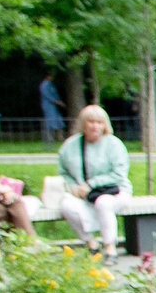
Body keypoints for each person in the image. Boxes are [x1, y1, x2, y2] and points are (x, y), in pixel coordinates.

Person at [55, 105, 132, 255]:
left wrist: (90, 184)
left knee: (103, 203)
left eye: (99, 122)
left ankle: (110, 247)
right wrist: (74, 187)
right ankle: (91, 243)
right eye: (91, 122)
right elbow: (63, 172)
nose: (95, 126)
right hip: (82, 193)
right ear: (83, 124)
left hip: (114, 191)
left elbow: (119, 174)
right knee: (67, 206)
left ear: (105, 124)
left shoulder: (114, 145)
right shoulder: (70, 146)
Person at [38, 71, 64, 142]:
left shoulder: (51, 84)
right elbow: (47, 95)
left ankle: (59, 137)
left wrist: (59, 101)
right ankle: (49, 138)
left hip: (53, 106)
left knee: (58, 120)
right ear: (47, 76)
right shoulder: (44, 85)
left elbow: (54, 94)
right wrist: (56, 101)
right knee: (50, 121)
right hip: (48, 105)